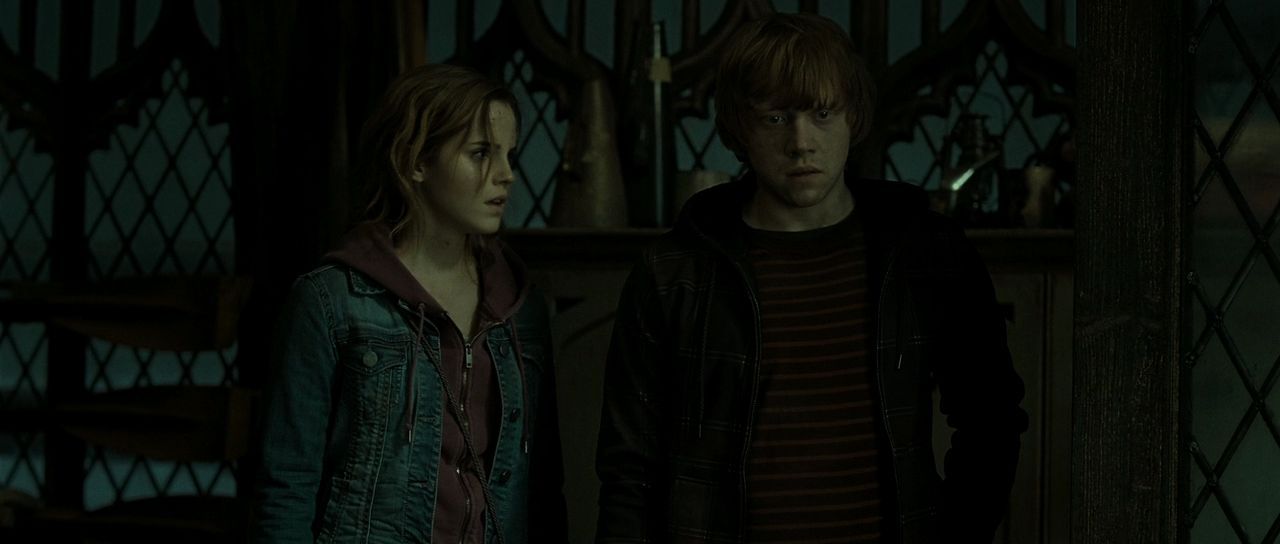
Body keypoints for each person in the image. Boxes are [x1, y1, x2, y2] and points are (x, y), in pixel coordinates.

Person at [595, 13, 1027, 543]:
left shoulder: (925, 255)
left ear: (852, 116)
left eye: (823, 114)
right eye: (775, 118)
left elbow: (991, 418)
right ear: (741, 128)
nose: (801, 142)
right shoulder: (674, 273)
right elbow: (629, 470)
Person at [253, 64, 567, 544]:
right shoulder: (332, 301)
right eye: (481, 153)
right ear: (416, 161)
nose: (506, 175)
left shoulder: (520, 308)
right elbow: (286, 487)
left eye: (509, 155)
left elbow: (542, 490)